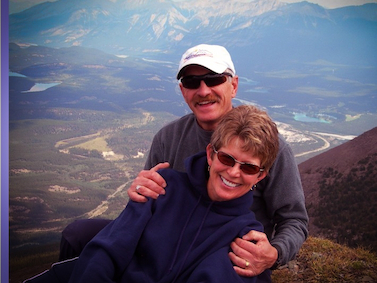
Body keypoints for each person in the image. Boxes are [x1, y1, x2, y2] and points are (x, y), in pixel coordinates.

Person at [60, 44, 309, 282]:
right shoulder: (169, 138)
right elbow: (147, 199)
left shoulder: (268, 147)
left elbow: (294, 219)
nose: (203, 90)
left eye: (213, 79)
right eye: (191, 82)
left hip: (223, 247)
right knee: (77, 235)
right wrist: (140, 190)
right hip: (164, 236)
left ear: (233, 85)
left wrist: (273, 254)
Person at [24, 105, 280, 283]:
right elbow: (109, 248)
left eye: (247, 167)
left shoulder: (246, 238)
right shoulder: (161, 187)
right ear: (211, 155)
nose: (234, 172)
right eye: (227, 158)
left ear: (260, 176)